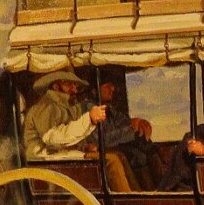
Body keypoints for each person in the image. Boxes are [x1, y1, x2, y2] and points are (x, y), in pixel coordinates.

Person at [19, 72, 150, 188]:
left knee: (119, 156)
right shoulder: (46, 107)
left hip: (61, 155)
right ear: (55, 86)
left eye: (75, 85)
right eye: (69, 84)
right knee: (111, 160)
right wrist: (89, 119)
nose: (75, 88)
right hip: (46, 159)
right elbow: (54, 139)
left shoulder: (65, 106)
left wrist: (83, 146)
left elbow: (67, 137)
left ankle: (135, 195)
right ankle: (125, 200)